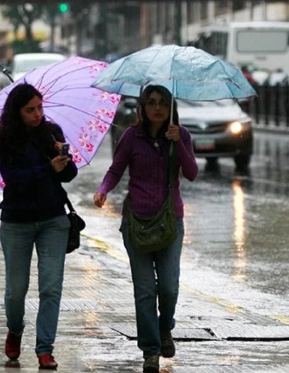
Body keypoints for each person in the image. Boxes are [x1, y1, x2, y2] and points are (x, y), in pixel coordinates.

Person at [93, 85, 198, 373]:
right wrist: (103, 191)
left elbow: (191, 173)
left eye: (163, 103)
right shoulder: (131, 137)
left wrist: (178, 144)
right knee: (144, 291)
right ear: (142, 107)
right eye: (151, 102)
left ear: (171, 107)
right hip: (136, 223)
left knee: (169, 287)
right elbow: (116, 169)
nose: (157, 108)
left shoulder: (181, 135)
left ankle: (166, 328)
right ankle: (150, 352)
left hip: (169, 222)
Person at [0, 83, 77, 370]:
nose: (37, 114)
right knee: (16, 291)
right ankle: (15, 329)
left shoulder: (51, 133)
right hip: (16, 221)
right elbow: (13, 179)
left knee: (51, 288)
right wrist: (47, 169)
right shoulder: (5, 138)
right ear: (17, 112)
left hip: (54, 220)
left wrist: (64, 159)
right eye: (30, 110)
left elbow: (69, 175)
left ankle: (45, 349)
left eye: (40, 108)